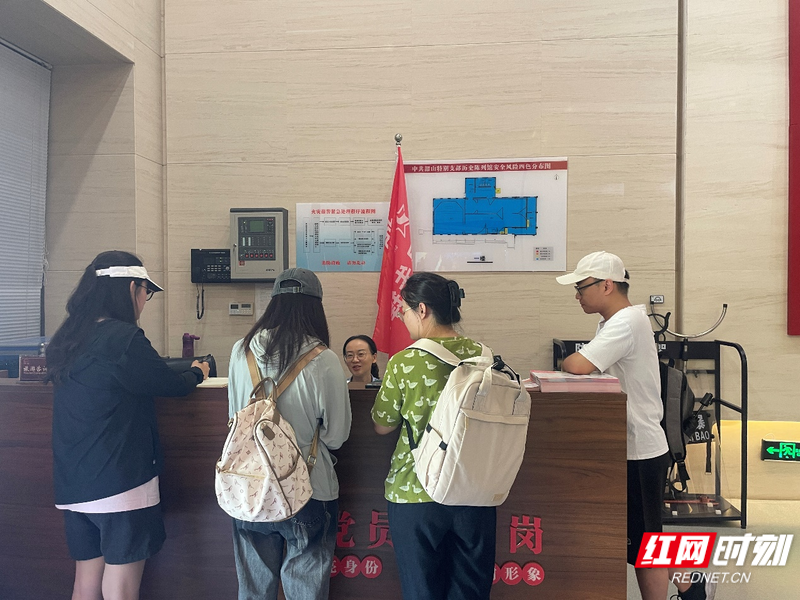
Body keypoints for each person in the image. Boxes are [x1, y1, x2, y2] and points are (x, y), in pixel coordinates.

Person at [47, 250, 211, 600]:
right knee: (120, 587)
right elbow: (170, 384)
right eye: (145, 293)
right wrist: (198, 372)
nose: (144, 302)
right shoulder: (123, 338)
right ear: (132, 288)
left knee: (85, 583)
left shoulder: (68, 337)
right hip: (121, 481)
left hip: (73, 482)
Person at [557, 251, 715, 600]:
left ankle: (690, 586)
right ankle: (691, 583)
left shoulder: (626, 322)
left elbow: (578, 365)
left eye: (581, 287)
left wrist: (571, 360)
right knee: (643, 536)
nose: (577, 295)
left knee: (645, 546)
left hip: (640, 449)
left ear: (607, 285)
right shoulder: (617, 321)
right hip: (630, 444)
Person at [227, 267, 351, 600]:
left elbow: (234, 419)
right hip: (308, 488)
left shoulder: (241, 351)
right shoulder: (324, 359)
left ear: (274, 303)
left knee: (253, 591)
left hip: (250, 486)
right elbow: (337, 436)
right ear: (315, 307)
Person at [371, 272, 495, 600]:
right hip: (474, 489)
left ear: (422, 310)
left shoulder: (405, 362)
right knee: (471, 592)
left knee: (422, 591)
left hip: (416, 491)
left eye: (404, 311)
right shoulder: (485, 356)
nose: (404, 318)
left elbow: (383, 424)